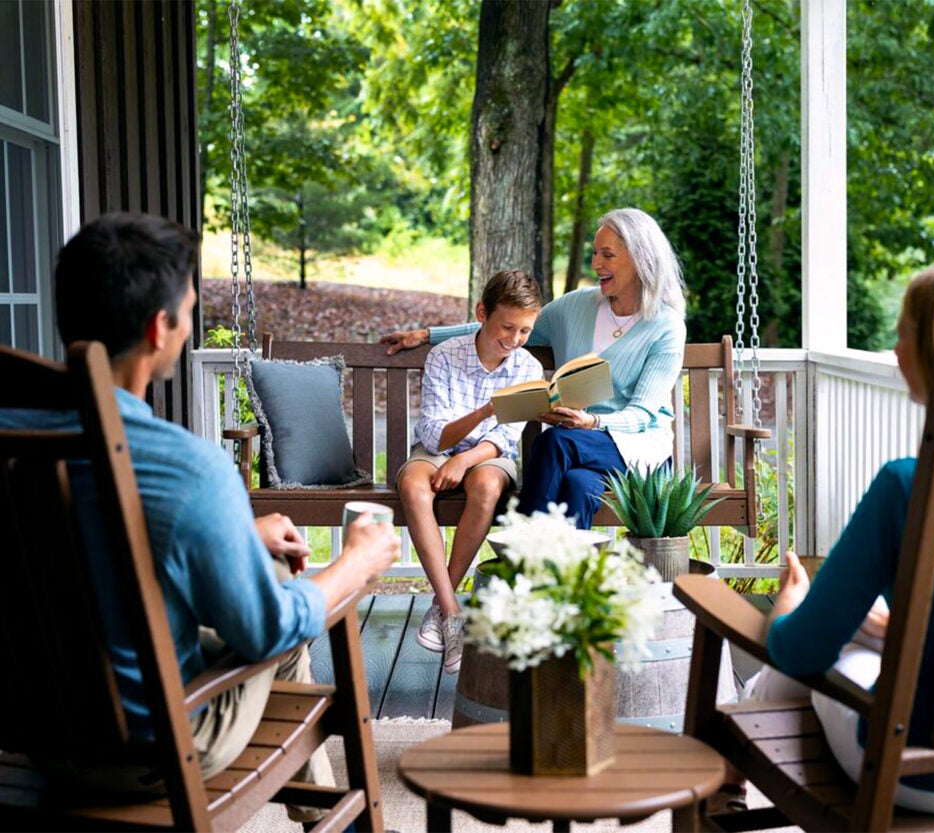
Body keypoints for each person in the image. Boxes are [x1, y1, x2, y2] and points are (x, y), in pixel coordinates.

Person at [0, 213, 399, 825]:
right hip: (152, 750)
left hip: (37, 734)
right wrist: (355, 564)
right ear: (160, 328)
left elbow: (94, 543)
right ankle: (320, 816)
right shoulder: (184, 467)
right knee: (284, 592)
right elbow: (265, 630)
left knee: (263, 564)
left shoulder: (20, 442)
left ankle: (311, 814)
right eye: (189, 310)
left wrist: (235, 535)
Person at [731, 261, 934, 815]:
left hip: (917, 777)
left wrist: (791, 604)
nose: (894, 350)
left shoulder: (907, 487)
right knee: (867, 634)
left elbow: (800, 651)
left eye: (903, 333)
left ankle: (736, 752)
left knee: (828, 648)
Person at [381, 207, 687, 530]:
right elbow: (500, 325)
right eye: (595, 253)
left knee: (554, 441)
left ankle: (518, 549)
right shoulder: (575, 307)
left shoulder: (666, 326)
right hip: (578, 451)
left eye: (607, 255)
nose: (596, 264)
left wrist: (592, 421)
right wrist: (427, 335)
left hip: (636, 449)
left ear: (640, 258)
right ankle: (558, 564)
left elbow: (642, 415)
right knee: (578, 487)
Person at [398, 270, 544, 674]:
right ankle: (450, 611)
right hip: (439, 447)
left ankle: (439, 609)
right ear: (482, 313)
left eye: (525, 331)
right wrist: (482, 413)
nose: (514, 339)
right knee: (412, 485)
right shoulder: (445, 356)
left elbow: (505, 437)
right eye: (507, 327)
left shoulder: (528, 368)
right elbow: (434, 434)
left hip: (489, 455)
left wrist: (464, 461)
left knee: (486, 484)